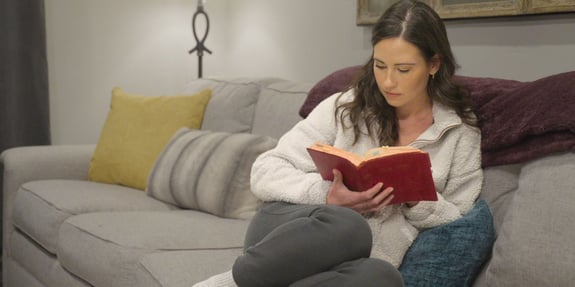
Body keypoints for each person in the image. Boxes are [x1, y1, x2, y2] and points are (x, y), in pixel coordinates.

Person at [194, 0, 483, 286]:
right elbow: (265, 170)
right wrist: (327, 196)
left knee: (383, 278)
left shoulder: (459, 132)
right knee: (349, 225)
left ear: (434, 64)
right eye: (380, 66)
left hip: (352, 263)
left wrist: (415, 197)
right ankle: (232, 282)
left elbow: (459, 218)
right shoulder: (346, 107)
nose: (388, 82)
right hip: (289, 232)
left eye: (403, 70)